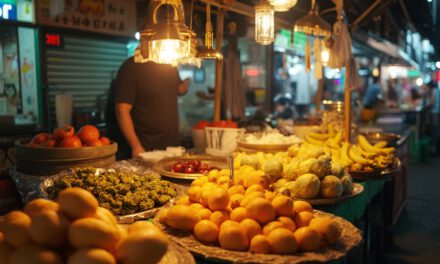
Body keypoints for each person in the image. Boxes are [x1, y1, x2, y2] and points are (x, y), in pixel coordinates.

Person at [114, 57, 190, 158]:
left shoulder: (169, 64)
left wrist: (187, 82)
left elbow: (179, 89)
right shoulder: (131, 66)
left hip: (172, 147)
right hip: (146, 149)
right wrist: (136, 146)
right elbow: (122, 110)